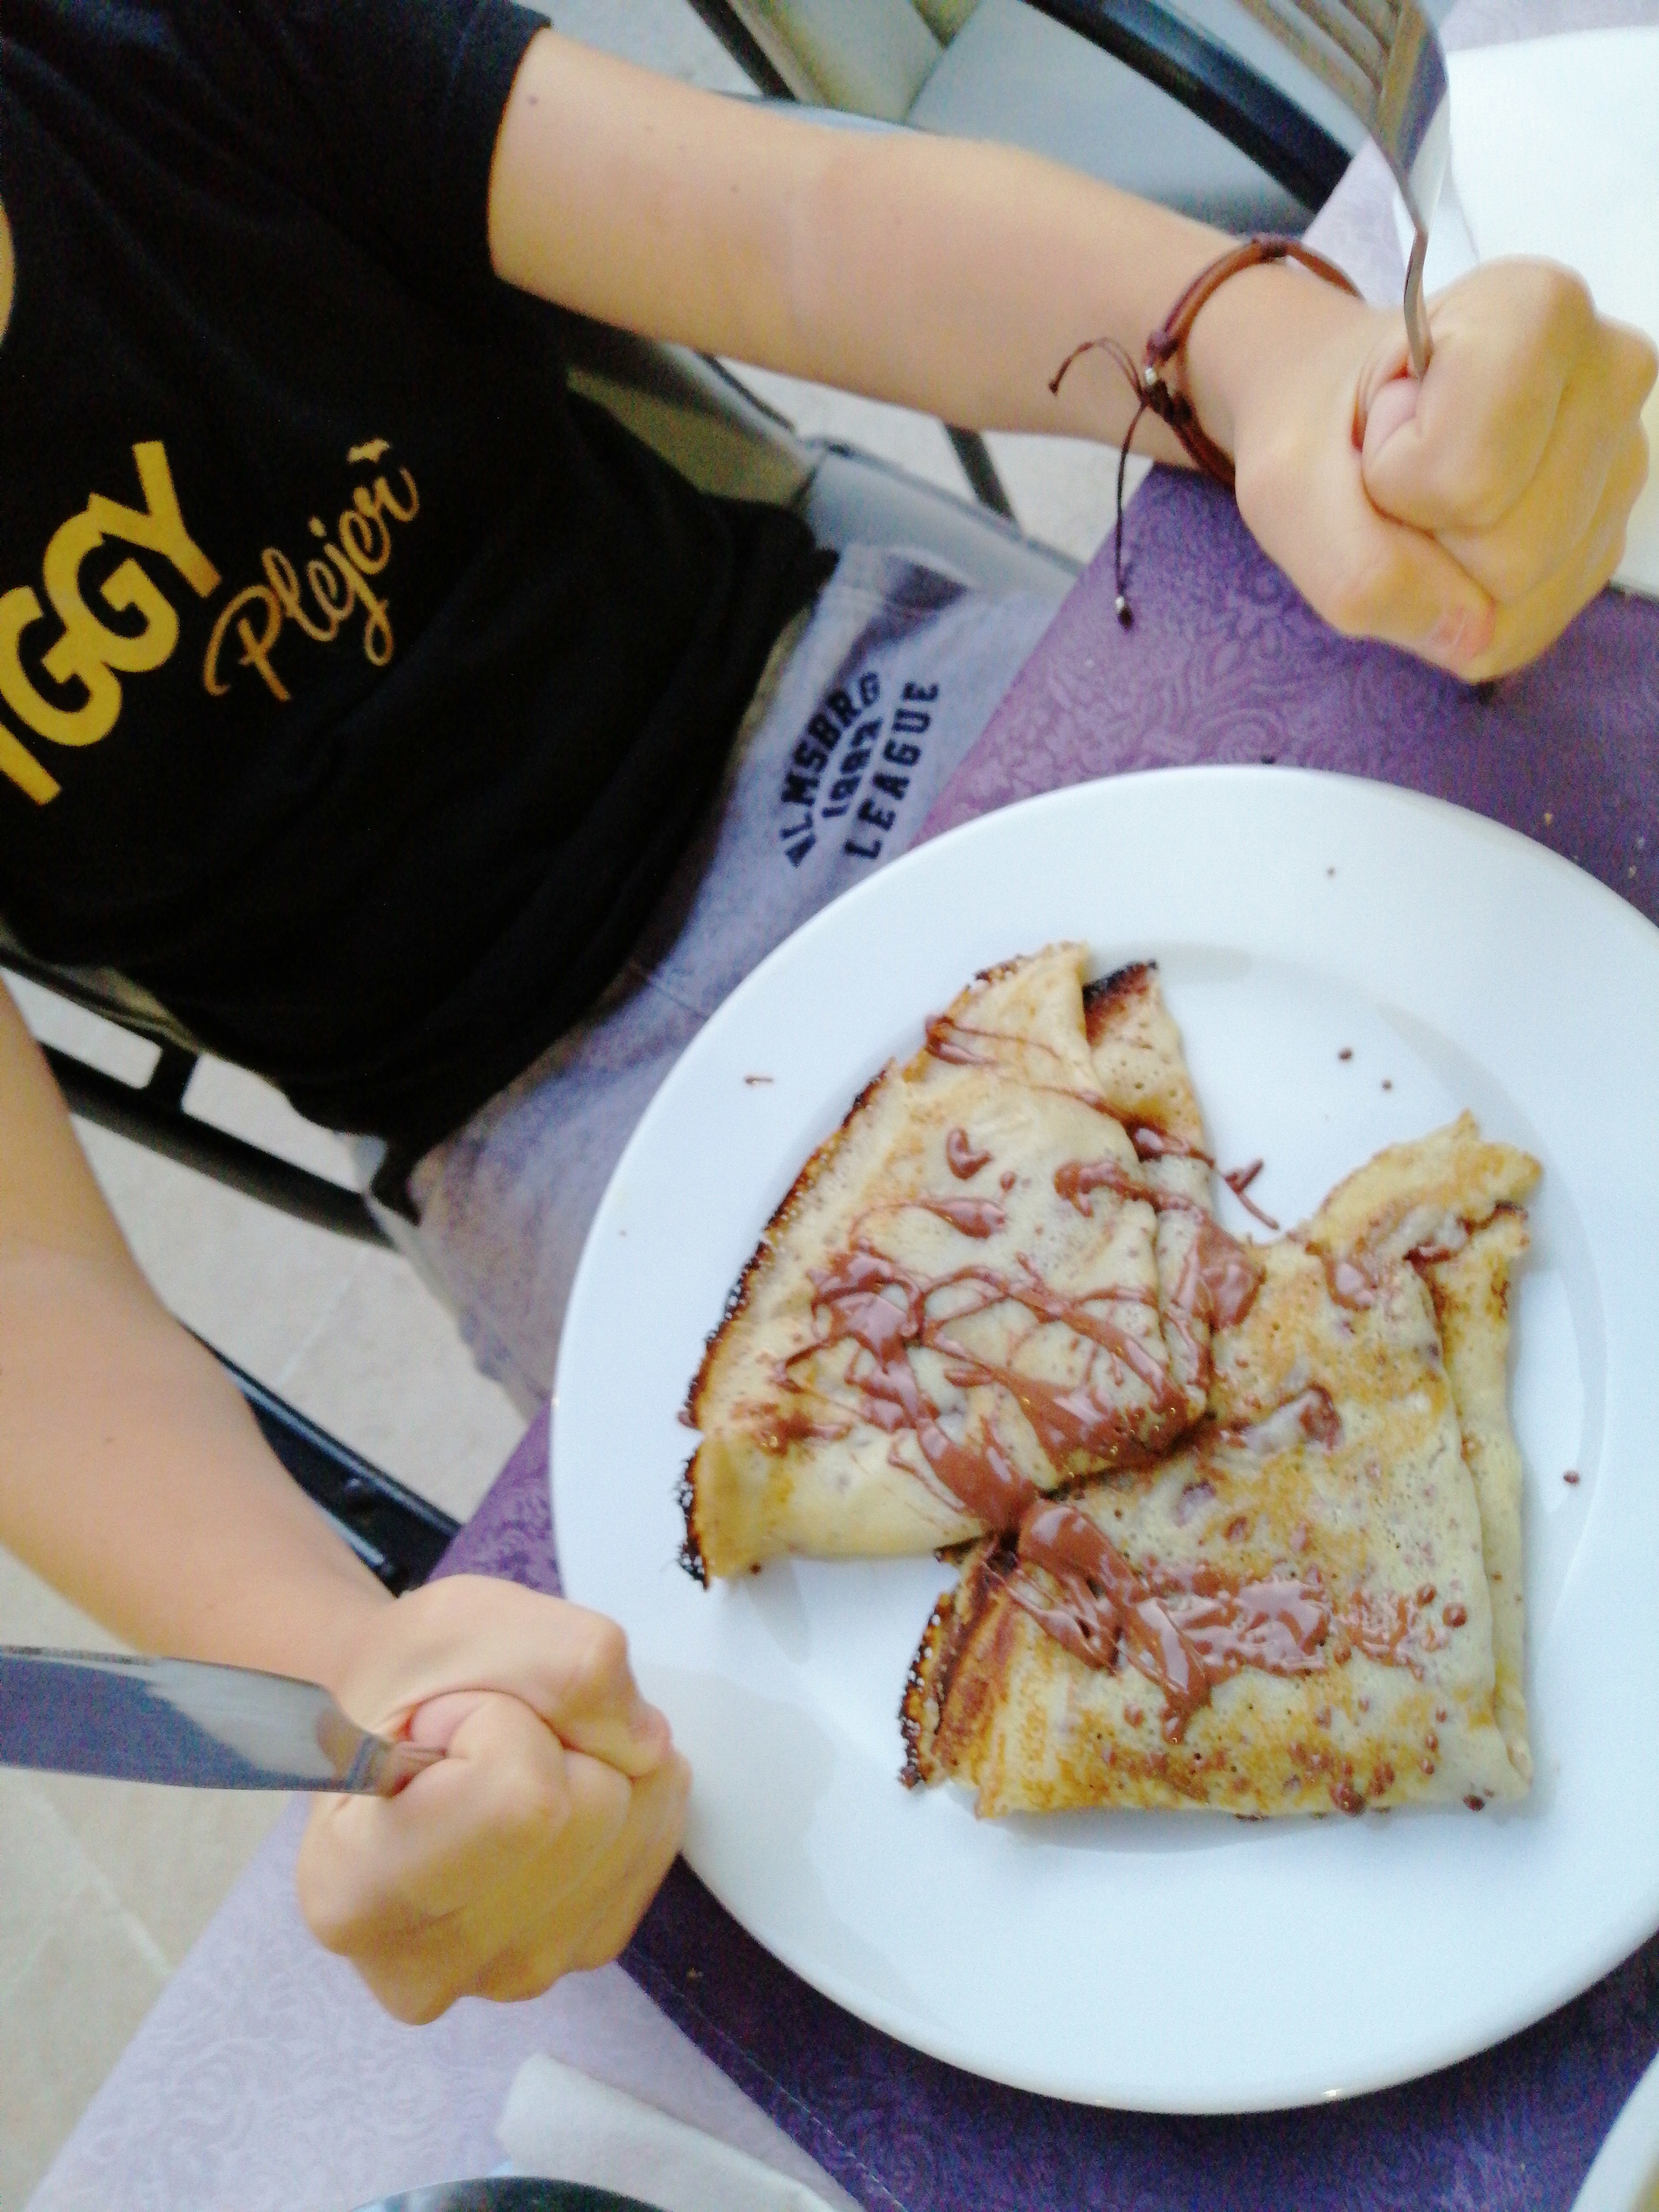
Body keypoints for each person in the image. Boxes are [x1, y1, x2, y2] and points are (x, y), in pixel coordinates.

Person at [0, 0, 1651, 2025]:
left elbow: (786, 225)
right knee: (977, 1888)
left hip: (840, 696)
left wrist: (1268, 354)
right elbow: (27, 1284)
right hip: (526, 1114)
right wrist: (349, 1667)